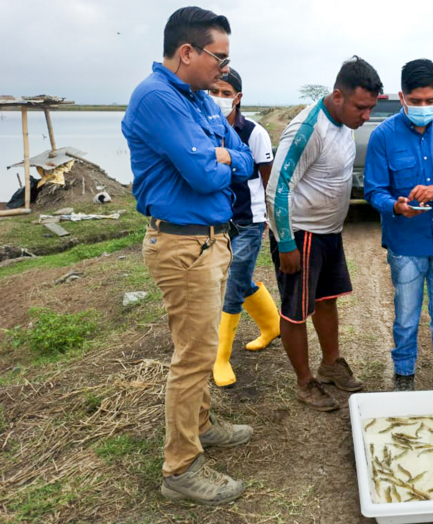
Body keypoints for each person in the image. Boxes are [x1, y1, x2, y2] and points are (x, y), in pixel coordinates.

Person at [122, 7, 256, 505]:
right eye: (219, 58)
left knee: (197, 347)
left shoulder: (195, 98)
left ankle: (200, 423)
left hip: (208, 238)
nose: (224, 68)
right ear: (187, 52)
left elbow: (239, 156)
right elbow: (205, 174)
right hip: (182, 243)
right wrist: (218, 158)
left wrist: (220, 155)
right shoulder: (157, 98)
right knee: (194, 355)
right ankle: (180, 469)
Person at [266, 56, 383, 411]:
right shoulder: (308, 129)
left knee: (326, 299)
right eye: (361, 107)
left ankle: (330, 364)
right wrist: (286, 243)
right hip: (301, 235)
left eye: (371, 109)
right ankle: (305, 382)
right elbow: (277, 187)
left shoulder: (344, 125)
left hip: (329, 233)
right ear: (337, 96)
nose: (366, 117)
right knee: (295, 311)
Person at [364, 59, 433, 409]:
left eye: (430, 100)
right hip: (406, 243)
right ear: (402, 97)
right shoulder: (383, 136)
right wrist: (396, 206)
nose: (424, 107)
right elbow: (373, 190)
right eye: (417, 100)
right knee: (406, 315)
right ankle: (403, 380)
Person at [208, 68, 281, 388]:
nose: (220, 99)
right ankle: (272, 325)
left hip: (248, 219)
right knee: (233, 276)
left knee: (234, 280)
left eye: (226, 93)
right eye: (214, 92)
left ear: (238, 97)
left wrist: (264, 217)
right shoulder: (200, 128)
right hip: (214, 218)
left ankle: (221, 356)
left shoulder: (254, 133)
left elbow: (265, 179)